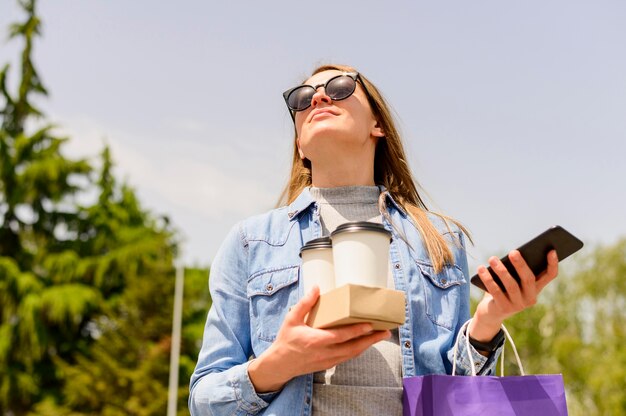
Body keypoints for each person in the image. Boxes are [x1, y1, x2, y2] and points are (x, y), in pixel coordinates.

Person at [189, 64, 559, 415]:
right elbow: (204, 401)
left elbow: (458, 390)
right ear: (300, 145)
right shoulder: (250, 243)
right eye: (302, 98)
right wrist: (277, 365)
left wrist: (489, 321)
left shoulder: (441, 240)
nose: (318, 98)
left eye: (339, 89)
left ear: (377, 123)